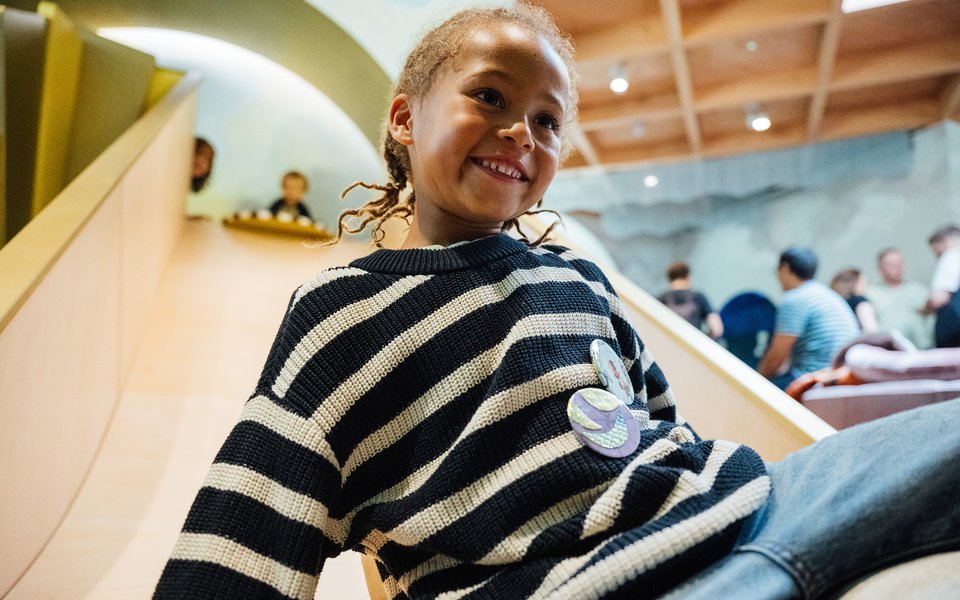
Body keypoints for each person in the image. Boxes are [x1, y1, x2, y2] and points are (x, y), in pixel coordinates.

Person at [154, 5, 960, 599]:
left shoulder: (580, 281)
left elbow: (661, 427)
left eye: (547, 121)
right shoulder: (340, 313)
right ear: (404, 117)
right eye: (492, 99)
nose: (522, 135)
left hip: (748, 508)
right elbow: (250, 522)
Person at [757, 247, 859, 389]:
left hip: (815, 376)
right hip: (844, 374)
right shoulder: (825, 294)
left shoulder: (795, 299)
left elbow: (776, 357)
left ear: (785, 269)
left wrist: (755, 380)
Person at [868, 247, 931, 349]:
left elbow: (931, 320)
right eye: (892, 264)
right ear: (880, 269)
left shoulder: (918, 290)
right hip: (888, 353)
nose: (897, 267)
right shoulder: (870, 294)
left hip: (921, 350)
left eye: (900, 263)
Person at [657, 261, 723, 339]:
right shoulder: (698, 297)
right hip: (691, 343)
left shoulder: (661, 299)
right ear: (687, 277)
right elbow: (717, 329)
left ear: (670, 279)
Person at [923, 224, 960, 347]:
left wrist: (926, 307)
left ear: (945, 242)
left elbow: (939, 298)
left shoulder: (951, 256)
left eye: (935, 250)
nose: (936, 255)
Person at [829, 267, 879, 333]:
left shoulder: (834, 302)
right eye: (865, 283)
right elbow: (871, 331)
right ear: (856, 283)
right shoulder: (861, 302)